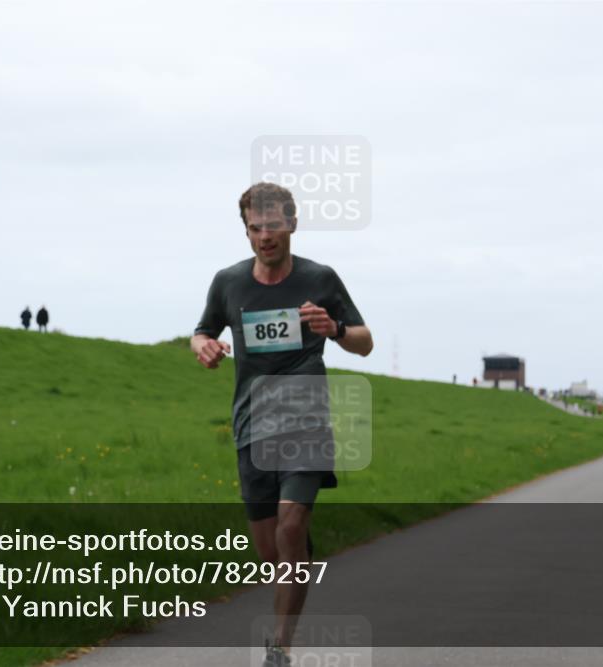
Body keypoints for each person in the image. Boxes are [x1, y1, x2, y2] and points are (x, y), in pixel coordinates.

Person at [191, 182, 373, 667]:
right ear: (246, 230)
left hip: (306, 423)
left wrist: (333, 329)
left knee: (291, 526)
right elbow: (203, 329)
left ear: (292, 224)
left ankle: (279, 647)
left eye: (274, 225)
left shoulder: (321, 278)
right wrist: (203, 346)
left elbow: (364, 341)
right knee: (272, 553)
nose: (265, 235)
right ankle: (297, 563)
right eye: (256, 227)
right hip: (252, 426)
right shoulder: (228, 283)